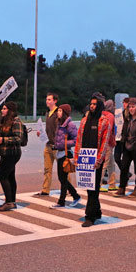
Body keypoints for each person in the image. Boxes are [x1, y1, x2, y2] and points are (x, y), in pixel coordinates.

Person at [74, 94, 112, 227]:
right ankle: (97, 212)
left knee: (94, 188)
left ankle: (89, 216)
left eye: (95, 104)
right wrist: (76, 157)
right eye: (91, 103)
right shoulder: (84, 120)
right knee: (89, 188)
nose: (92, 106)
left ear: (100, 106)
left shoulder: (104, 121)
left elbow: (104, 142)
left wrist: (99, 160)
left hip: (95, 160)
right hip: (84, 158)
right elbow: (79, 139)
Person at [0, 102, 24, 211]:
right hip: (4, 152)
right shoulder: (3, 121)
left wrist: (3, 140)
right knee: (10, 176)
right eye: (2, 108)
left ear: (10, 110)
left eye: (5, 108)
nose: (2, 110)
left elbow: (18, 138)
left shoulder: (16, 121)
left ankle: (9, 201)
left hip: (12, 153)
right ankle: (12, 200)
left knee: (2, 176)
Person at [50, 104, 81, 208]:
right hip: (60, 152)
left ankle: (64, 200)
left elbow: (76, 140)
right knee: (62, 178)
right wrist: (56, 145)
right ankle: (72, 196)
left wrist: (64, 143)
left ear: (65, 113)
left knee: (62, 178)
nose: (57, 113)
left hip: (66, 154)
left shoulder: (70, 125)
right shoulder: (59, 123)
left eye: (59, 111)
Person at [35, 93, 59, 196]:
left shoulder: (58, 112)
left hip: (57, 146)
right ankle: (45, 189)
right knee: (47, 169)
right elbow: (49, 128)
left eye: (49, 99)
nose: (47, 101)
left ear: (55, 101)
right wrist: (41, 133)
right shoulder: (48, 113)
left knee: (63, 170)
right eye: (46, 99)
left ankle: (69, 189)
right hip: (48, 144)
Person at [99, 99, 117, 191]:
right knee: (105, 164)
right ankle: (99, 184)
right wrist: (112, 142)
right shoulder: (110, 116)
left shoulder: (102, 114)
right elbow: (109, 130)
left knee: (111, 164)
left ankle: (112, 183)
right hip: (108, 143)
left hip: (101, 142)